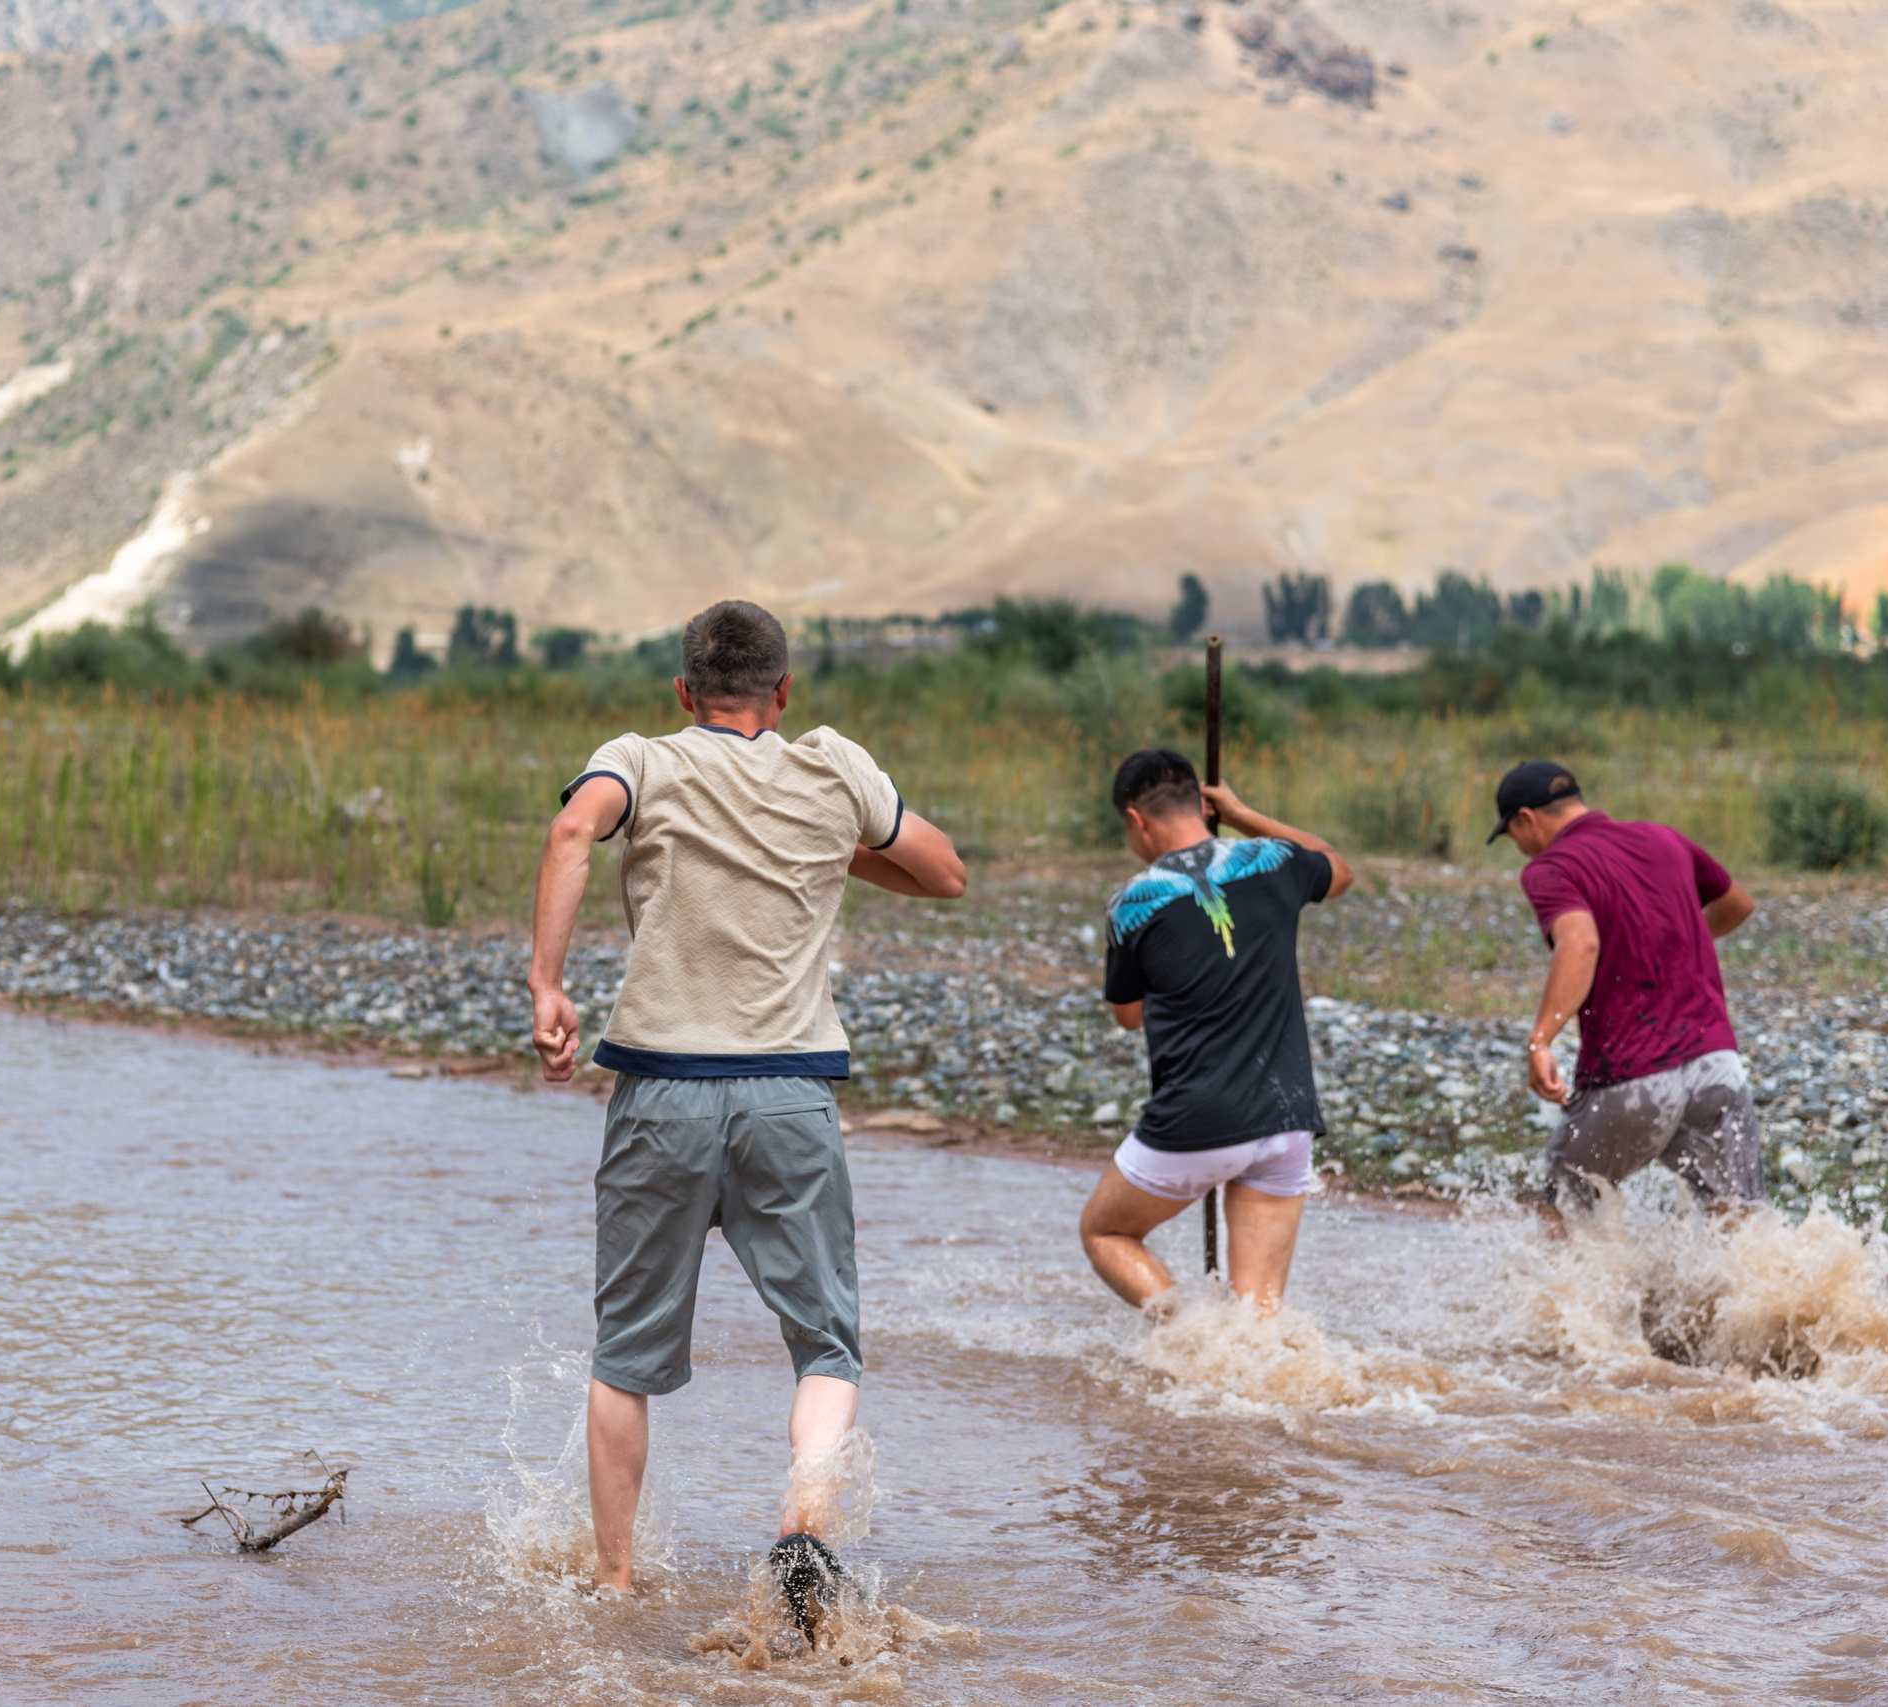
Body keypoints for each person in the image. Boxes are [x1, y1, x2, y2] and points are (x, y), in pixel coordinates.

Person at [526, 600, 967, 1626]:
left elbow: (569, 830)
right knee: (826, 1349)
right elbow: (943, 873)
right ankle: (801, 1523)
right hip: (788, 1096)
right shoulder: (832, 768)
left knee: (623, 1357)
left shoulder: (639, 759)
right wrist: (828, 842)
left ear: (683, 692)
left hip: (661, 1093)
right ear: (785, 691)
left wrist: (548, 986)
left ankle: (616, 1583)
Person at [1077, 749, 1352, 1319]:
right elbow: (1338, 867)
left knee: (1105, 1232)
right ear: (1205, 805)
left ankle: (1189, 1338)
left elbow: (1128, 1016)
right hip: (1287, 1117)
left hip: (1197, 1121)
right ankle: (1247, 1370)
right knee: (1259, 1314)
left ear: (1135, 820)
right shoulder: (1274, 860)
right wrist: (1244, 814)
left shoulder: (1132, 904)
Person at [1489, 760, 1764, 1224]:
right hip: (1717, 1064)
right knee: (1739, 1221)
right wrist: (1671, 943)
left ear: (1526, 819)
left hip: (1633, 1077)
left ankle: (1578, 1299)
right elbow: (1738, 904)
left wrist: (1540, 1040)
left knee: (1563, 1214)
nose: (1519, 847)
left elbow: (1580, 942)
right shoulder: (1664, 838)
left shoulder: (1551, 867)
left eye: (1512, 835)